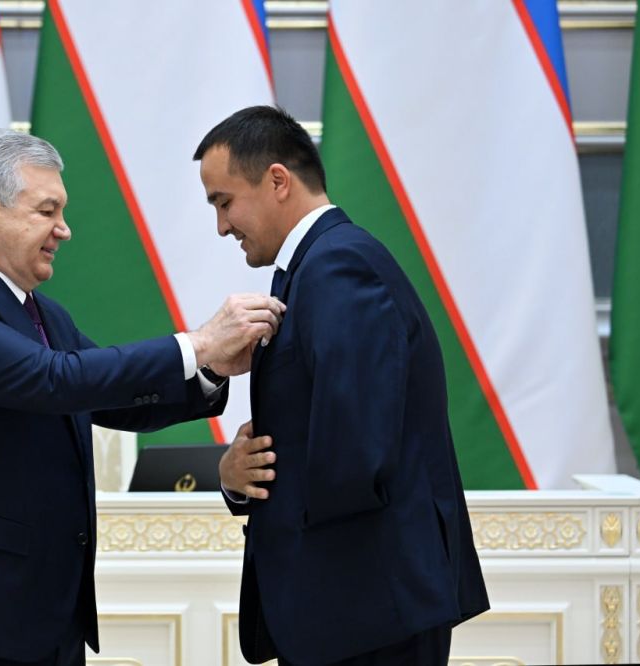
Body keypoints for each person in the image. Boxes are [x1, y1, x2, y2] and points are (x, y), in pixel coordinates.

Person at [0, 128, 284, 665]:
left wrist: (210, 368)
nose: (64, 230)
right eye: (47, 211)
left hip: (44, 622)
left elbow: (114, 398)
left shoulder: (44, 315)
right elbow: (55, 379)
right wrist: (199, 342)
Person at [194, 106, 489, 666]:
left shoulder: (337, 266)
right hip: (359, 608)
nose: (222, 226)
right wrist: (236, 479)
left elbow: (356, 450)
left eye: (224, 202)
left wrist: (254, 491)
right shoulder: (318, 266)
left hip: (364, 609)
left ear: (277, 180)